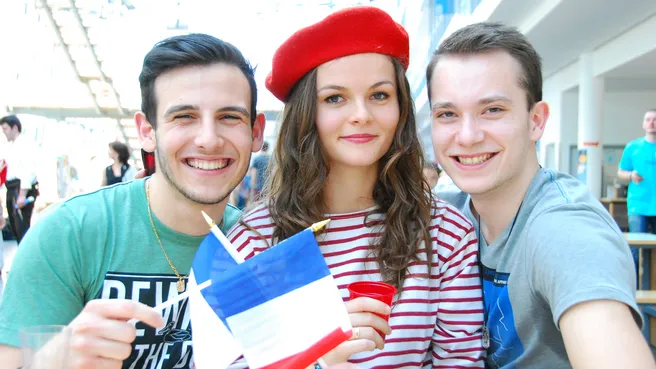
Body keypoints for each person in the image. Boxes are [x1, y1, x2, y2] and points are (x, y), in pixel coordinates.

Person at [228, 7, 484, 368]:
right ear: (306, 115)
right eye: (335, 98)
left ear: (401, 109)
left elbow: (461, 362)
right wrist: (318, 360)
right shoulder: (254, 241)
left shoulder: (445, 234)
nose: (361, 114)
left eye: (379, 95)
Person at [0, 33, 265, 369]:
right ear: (146, 132)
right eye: (184, 116)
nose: (209, 140)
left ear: (256, 132)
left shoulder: (257, 246)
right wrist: (55, 359)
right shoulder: (70, 233)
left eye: (230, 117)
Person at [427, 22, 654, 368]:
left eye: (492, 110)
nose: (468, 135)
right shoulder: (446, 215)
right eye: (448, 114)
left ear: (536, 120)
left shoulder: (563, 229)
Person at [618, 108, 656, 276]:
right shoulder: (633, 147)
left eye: (655, 119)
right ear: (643, 123)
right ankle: (633, 290)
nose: (651, 123)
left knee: (653, 253)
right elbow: (621, 172)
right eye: (648, 119)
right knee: (635, 248)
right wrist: (631, 175)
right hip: (638, 205)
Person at [0, 115, 39, 243]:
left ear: (14, 128)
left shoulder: (25, 144)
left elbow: (28, 170)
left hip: (20, 189)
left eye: (5, 129)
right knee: (15, 229)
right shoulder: (11, 146)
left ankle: (28, 261)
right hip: (11, 188)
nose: (3, 132)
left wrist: (22, 195)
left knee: (22, 228)